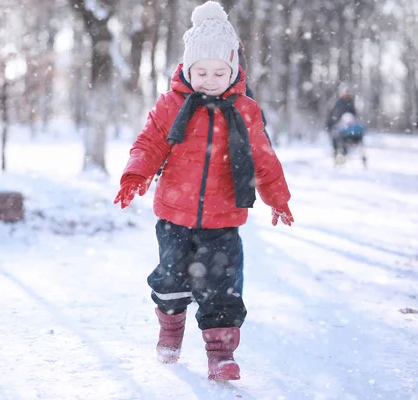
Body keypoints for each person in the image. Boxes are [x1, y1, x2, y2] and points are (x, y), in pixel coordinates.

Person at [113, 1, 293, 381]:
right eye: (201, 71)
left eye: (219, 71)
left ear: (233, 70)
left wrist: (279, 198)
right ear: (187, 69)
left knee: (223, 287)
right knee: (170, 280)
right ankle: (171, 328)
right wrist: (135, 175)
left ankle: (220, 354)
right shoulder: (171, 105)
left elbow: (264, 157)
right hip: (173, 214)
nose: (210, 79)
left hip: (224, 217)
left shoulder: (244, 110)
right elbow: (149, 143)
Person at [326, 83, 357, 160]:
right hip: (337, 125)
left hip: (348, 127)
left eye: (347, 92)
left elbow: (354, 114)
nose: (346, 94)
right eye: (344, 92)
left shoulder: (351, 102)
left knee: (344, 138)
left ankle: (343, 152)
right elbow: (333, 115)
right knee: (336, 136)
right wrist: (332, 123)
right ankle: (337, 152)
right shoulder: (337, 102)